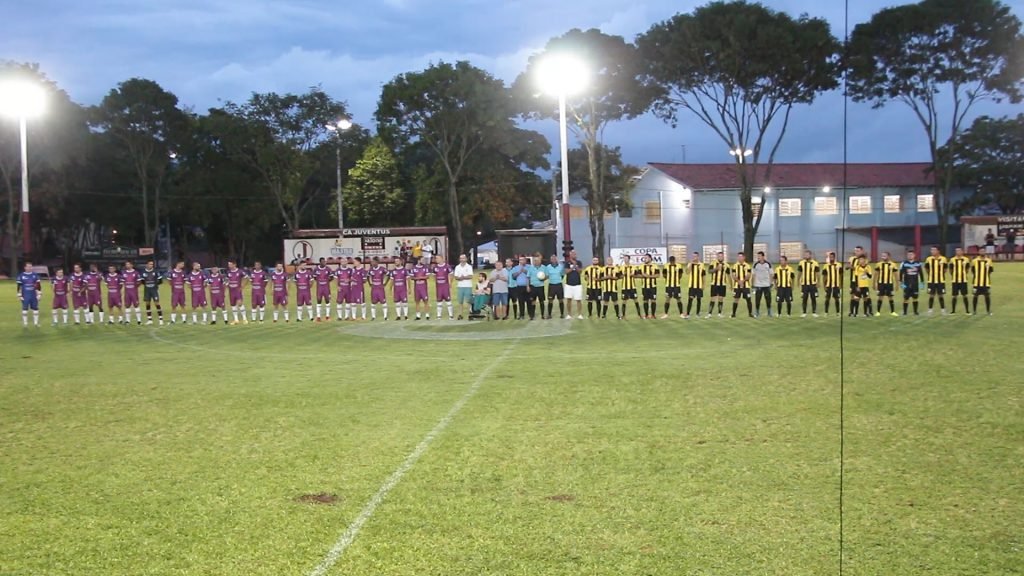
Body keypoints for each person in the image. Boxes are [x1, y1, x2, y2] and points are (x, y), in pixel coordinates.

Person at [873, 252, 899, 317]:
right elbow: (875, 275)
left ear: (889, 256)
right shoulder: (879, 264)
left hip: (889, 283)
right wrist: (874, 283)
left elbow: (896, 275)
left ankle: (892, 312)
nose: (883, 257)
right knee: (880, 297)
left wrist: (897, 284)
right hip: (881, 283)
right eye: (882, 256)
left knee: (890, 297)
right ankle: (878, 312)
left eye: (884, 256)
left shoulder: (893, 264)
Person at [924, 245, 948, 314]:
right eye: (931, 250)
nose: (932, 251)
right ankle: (930, 309)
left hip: (941, 280)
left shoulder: (943, 259)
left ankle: (943, 309)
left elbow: (945, 269)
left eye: (934, 250)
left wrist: (941, 273)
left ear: (938, 251)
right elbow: (926, 268)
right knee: (931, 295)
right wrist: (930, 274)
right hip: (931, 280)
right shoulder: (928, 259)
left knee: (941, 295)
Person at [16, 261, 41, 327]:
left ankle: (36, 323)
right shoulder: (21, 275)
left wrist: (39, 294)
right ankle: (25, 323)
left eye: (31, 266)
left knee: (35, 308)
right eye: (28, 266)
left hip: (33, 295)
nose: (30, 268)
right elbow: (19, 286)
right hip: (25, 295)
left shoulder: (35, 275)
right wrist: (19, 295)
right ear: (25, 267)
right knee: (25, 309)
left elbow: (38, 285)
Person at [899, 249, 924, 316]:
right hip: (906, 284)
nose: (910, 256)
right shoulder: (904, 263)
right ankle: (905, 312)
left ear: (914, 255)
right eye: (908, 255)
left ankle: (915, 312)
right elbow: (901, 273)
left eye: (911, 255)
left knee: (915, 297)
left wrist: (922, 282)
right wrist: (901, 282)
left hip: (915, 284)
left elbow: (921, 273)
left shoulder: (918, 263)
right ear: (907, 256)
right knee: (905, 298)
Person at [140, 259, 165, 325]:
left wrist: (155, 285)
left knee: (157, 303)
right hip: (147, 290)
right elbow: (142, 281)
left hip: (154, 290)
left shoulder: (156, 271)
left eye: (152, 264)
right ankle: (149, 319)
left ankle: (161, 319)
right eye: (150, 264)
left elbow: (160, 281)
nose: (151, 265)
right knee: (147, 304)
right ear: (147, 265)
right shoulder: (143, 272)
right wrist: (147, 285)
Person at [661, 254, 685, 318]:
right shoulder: (666, 266)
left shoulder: (679, 266)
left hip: (676, 285)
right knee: (667, 299)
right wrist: (668, 279)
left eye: (673, 261)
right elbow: (664, 275)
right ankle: (665, 314)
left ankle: (681, 314)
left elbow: (680, 275)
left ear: (674, 261)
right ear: (670, 261)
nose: (672, 263)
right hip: (668, 286)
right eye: (671, 261)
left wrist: (676, 279)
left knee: (678, 299)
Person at [948, 247, 971, 315]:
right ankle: (953, 311)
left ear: (962, 252)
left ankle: (967, 311)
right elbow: (951, 269)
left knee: (964, 295)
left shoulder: (966, 259)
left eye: (959, 251)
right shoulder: (952, 260)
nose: (958, 252)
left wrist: (963, 274)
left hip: (963, 280)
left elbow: (967, 269)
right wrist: (954, 275)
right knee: (954, 295)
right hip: (955, 280)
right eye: (956, 251)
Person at [970, 250, 994, 315]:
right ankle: (974, 311)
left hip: (986, 282)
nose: (982, 252)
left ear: (985, 252)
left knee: (987, 296)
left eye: (983, 251)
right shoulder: (974, 261)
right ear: (979, 252)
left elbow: (991, 270)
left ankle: (988, 311)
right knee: (975, 296)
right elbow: (972, 270)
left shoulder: (989, 260)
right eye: (981, 251)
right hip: (976, 282)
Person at [798, 250, 821, 317]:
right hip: (804, 284)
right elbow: (799, 273)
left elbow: (818, 274)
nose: (806, 256)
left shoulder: (815, 263)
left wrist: (818, 282)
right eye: (805, 254)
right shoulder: (801, 263)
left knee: (813, 298)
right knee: (804, 298)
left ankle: (814, 312)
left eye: (807, 254)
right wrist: (798, 281)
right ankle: (804, 312)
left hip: (813, 284)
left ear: (810, 255)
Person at [730, 252, 753, 318]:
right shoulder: (735, 265)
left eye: (741, 257)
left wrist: (742, 281)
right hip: (737, 286)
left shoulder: (747, 265)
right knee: (736, 299)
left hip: (746, 286)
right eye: (738, 257)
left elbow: (748, 275)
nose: (739, 258)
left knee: (748, 299)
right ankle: (733, 314)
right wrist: (739, 281)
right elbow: (733, 275)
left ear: (744, 257)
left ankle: (750, 313)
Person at [432, 255, 455, 320]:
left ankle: (451, 315)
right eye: (436, 258)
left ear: (442, 259)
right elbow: (434, 275)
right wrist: (436, 281)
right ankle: (439, 316)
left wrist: (450, 283)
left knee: (448, 301)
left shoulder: (447, 266)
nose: (436, 260)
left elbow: (451, 274)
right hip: (439, 287)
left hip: (445, 286)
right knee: (439, 301)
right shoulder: (435, 267)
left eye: (438, 258)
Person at [619, 254, 641, 319]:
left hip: (632, 287)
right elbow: (619, 276)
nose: (625, 259)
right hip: (624, 287)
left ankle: (639, 315)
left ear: (629, 259)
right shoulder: (621, 267)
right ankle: (623, 315)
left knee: (636, 300)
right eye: (624, 258)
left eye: (626, 258)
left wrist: (633, 275)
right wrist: (624, 275)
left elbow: (637, 275)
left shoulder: (633, 267)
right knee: (624, 301)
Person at [707, 252, 729, 318]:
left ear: (723, 257)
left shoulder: (726, 265)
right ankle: (709, 314)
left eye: (721, 256)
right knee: (713, 298)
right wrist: (716, 268)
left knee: (721, 299)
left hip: (723, 284)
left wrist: (731, 285)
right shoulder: (713, 263)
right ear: (717, 257)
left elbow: (728, 275)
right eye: (719, 256)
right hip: (714, 284)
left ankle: (719, 313)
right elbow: (709, 271)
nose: (720, 257)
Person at [544, 254, 566, 320]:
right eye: (552, 259)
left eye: (554, 258)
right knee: (550, 300)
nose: (553, 260)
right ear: (550, 260)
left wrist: (558, 279)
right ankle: (549, 314)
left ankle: (562, 314)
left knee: (561, 300)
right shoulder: (548, 267)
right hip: (551, 285)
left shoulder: (561, 266)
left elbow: (562, 275)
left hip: (559, 285)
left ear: (556, 259)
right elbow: (547, 276)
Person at [846, 246, 867, 316]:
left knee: (861, 297)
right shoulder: (851, 258)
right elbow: (847, 267)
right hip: (853, 280)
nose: (856, 252)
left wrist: (851, 267)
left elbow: (859, 269)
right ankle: (851, 312)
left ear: (862, 251)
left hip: (861, 281)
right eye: (855, 251)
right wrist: (848, 265)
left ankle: (863, 312)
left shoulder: (864, 259)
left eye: (858, 251)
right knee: (852, 296)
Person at [751, 251, 773, 318]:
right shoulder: (755, 264)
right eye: (757, 256)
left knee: (768, 299)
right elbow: (753, 275)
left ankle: (769, 312)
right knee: (757, 300)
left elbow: (771, 274)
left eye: (759, 256)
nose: (758, 257)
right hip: (758, 285)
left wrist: (771, 283)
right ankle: (757, 312)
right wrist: (753, 285)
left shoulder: (768, 264)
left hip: (766, 285)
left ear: (763, 256)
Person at [453, 253, 475, 320]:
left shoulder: (469, 267)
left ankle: (469, 314)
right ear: (459, 259)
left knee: (468, 301)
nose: (462, 259)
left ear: (466, 259)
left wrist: (463, 277)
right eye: (461, 258)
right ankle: (460, 314)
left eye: (463, 258)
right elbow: (456, 277)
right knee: (460, 301)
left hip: (468, 286)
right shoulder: (457, 267)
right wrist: (461, 278)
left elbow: (470, 276)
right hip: (460, 286)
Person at [683, 252, 705, 319]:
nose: (694, 258)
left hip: (699, 285)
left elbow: (703, 275)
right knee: (690, 299)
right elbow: (687, 272)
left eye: (695, 256)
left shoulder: (701, 265)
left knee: (699, 300)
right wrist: (690, 265)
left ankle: (697, 313)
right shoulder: (690, 264)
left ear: (698, 257)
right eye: (693, 256)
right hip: (692, 285)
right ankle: (688, 314)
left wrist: (703, 284)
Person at [564, 250, 584, 319]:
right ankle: (569, 314)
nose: (574, 255)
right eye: (572, 254)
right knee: (569, 299)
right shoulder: (567, 262)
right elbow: (566, 271)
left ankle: (580, 314)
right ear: (570, 255)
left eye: (575, 254)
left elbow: (580, 271)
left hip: (577, 284)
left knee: (578, 300)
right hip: (569, 284)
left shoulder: (579, 262)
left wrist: (575, 265)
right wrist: (573, 267)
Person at [638, 254, 659, 319]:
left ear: (650, 258)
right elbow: (638, 275)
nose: (645, 259)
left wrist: (648, 276)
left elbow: (657, 275)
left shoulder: (655, 265)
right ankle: (646, 315)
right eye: (644, 258)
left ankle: (653, 315)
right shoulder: (641, 266)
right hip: (644, 287)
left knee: (653, 300)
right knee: (645, 301)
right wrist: (643, 275)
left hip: (653, 287)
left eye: (646, 258)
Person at [312, 257, 334, 321]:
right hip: (319, 288)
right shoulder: (316, 269)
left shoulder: (328, 269)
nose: (324, 263)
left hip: (326, 288)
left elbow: (332, 277)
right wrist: (320, 282)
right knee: (319, 301)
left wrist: (327, 281)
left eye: (325, 261)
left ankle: (327, 316)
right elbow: (315, 278)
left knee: (327, 301)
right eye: (323, 261)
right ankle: (318, 317)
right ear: (320, 262)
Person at [525, 254, 545, 320]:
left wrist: (543, 279)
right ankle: (532, 315)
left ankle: (543, 315)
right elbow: (528, 277)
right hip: (533, 287)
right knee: (533, 301)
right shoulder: (530, 268)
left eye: (537, 260)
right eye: (535, 260)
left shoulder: (543, 267)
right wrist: (527, 286)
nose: (536, 262)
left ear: (540, 261)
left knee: (541, 301)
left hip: (540, 287)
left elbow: (547, 276)